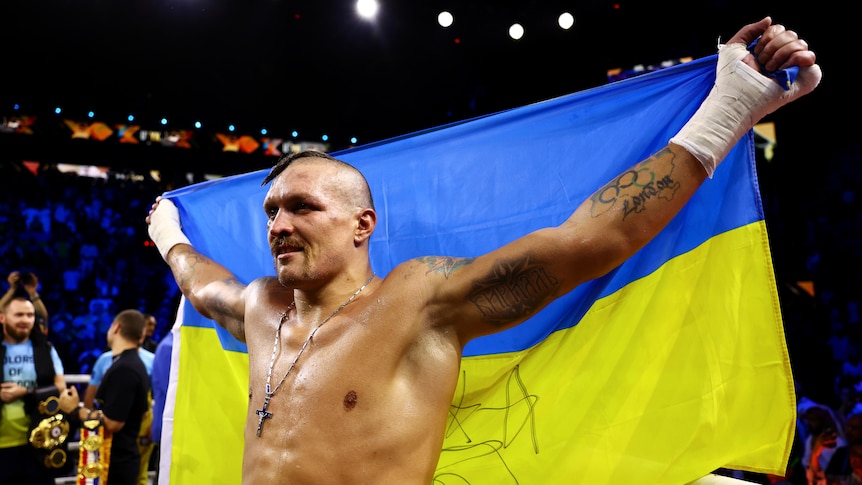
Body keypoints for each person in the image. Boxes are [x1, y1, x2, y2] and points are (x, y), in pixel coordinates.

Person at [145, 17, 821, 484]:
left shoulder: (419, 301)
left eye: (302, 205)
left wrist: (729, 110)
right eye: (271, 211)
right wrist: (167, 227)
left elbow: (589, 241)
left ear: (362, 224)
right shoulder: (264, 306)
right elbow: (201, 284)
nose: (279, 224)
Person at [59, 309, 151, 485]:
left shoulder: (125, 368)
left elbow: (113, 423)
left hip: (115, 464)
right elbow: (143, 414)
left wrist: (75, 409)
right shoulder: (130, 364)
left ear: (116, 328)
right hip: (121, 459)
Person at [0, 295, 67, 485]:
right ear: (2, 318)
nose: (25, 320)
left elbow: (60, 386)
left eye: (30, 315)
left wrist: (25, 391)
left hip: (39, 443)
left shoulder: (45, 349)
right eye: (19, 314)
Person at [83, 334, 155, 485]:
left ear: (116, 328)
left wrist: (80, 413)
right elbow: (92, 392)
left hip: (122, 445)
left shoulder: (131, 365)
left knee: (140, 474)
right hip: (119, 440)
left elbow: (114, 423)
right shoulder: (108, 360)